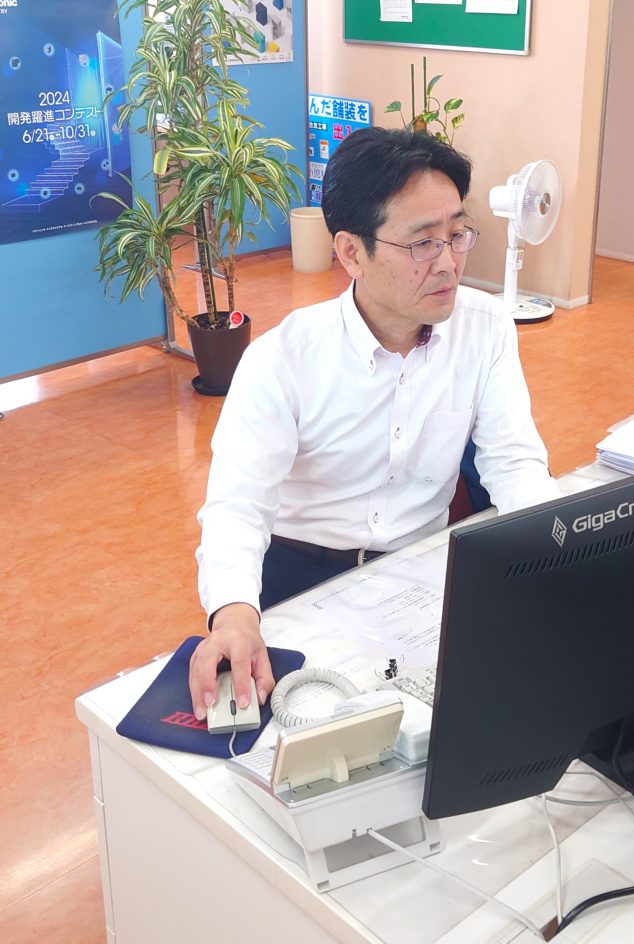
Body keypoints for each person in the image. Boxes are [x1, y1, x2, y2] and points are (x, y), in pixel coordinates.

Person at [188, 127, 559, 721]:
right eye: (422, 243)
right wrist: (234, 614)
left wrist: (562, 548)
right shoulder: (282, 360)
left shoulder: (486, 328)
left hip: (425, 570)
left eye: (456, 234)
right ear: (351, 252)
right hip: (301, 579)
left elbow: (513, 463)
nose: (449, 263)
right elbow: (237, 506)